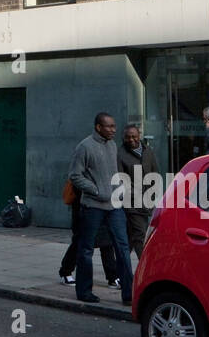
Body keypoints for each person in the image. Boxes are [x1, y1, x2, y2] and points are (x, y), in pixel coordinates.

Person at [68, 113, 132, 305]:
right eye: (109, 126)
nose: (114, 130)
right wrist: (95, 190)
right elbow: (74, 175)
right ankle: (84, 292)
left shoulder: (112, 146)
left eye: (114, 126)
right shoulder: (85, 147)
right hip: (93, 206)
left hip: (114, 206)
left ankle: (128, 294)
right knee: (86, 249)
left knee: (122, 247)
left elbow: (114, 172)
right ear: (98, 127)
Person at [117, 124, 159, 260]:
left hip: (147, 201)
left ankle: (119, 271)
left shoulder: (148, 151)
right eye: (128, 137)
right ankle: (145, 268)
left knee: (130, 238)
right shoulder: (120, 154)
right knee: (140, 235)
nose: (131, 140)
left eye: (134, 136)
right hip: (132, 203)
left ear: (139, 136)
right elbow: (120, 179)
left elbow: (155, 173)